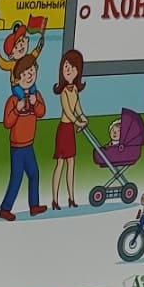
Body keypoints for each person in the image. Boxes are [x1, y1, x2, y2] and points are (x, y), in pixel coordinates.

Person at [0, 55, 46, 221]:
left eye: (32, 71)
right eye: (25, 73)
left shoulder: (35, 95)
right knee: (16, 178)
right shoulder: (13, 100)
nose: (30, 75)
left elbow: (41, 112)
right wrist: (17, 109)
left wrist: (35, 103)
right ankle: (5, 209)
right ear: (18, 78)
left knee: (34, 174)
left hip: (29, 145)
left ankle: (34, 206)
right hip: (17, 147)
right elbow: (7, 122)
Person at [51, 49, 86, 209]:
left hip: (70, 130)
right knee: (60, 163)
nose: (69, 70)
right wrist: (77, 122)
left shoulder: (75, 90)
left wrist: (83, 117)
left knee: (71, 163)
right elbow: (68, 111)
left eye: (72, 67)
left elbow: (77, 107)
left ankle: (71, 198)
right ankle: (55, 199)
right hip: (64, 129)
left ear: (78, 71)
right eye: (66, 67)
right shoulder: (64, 92)